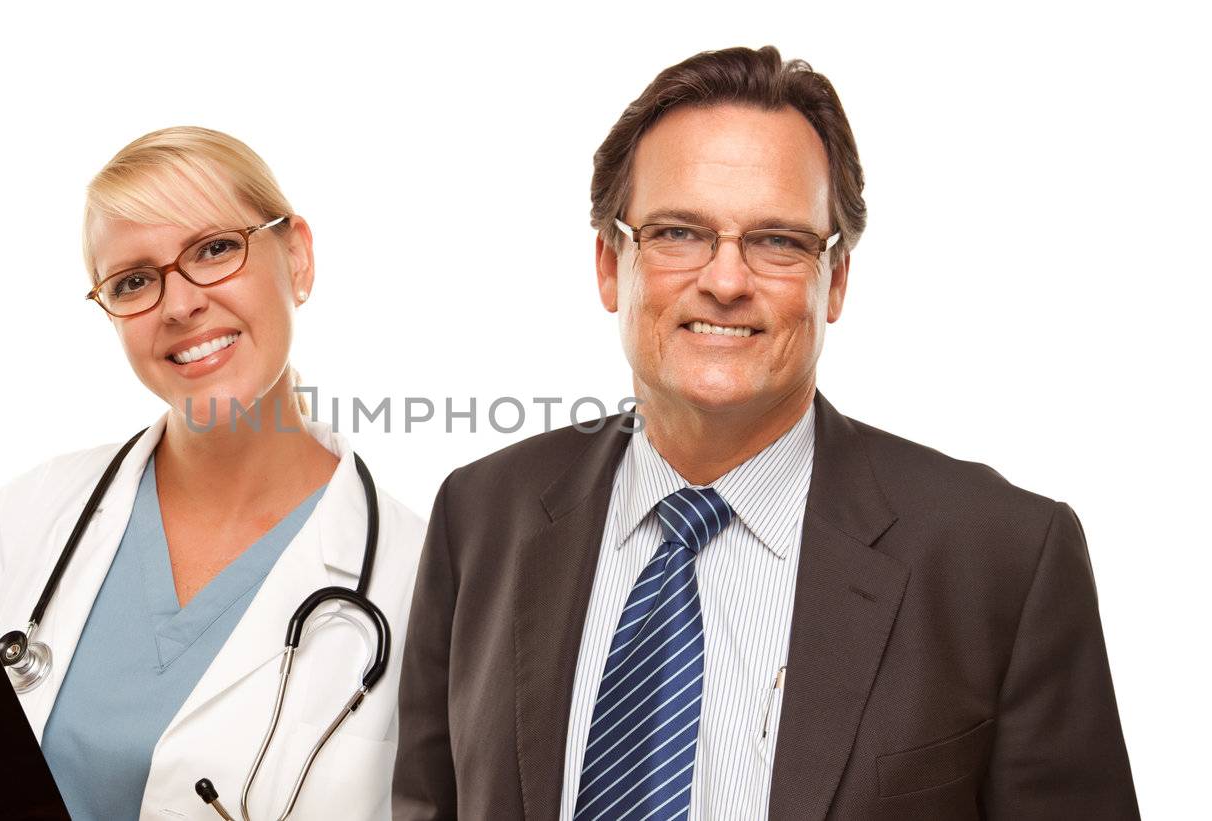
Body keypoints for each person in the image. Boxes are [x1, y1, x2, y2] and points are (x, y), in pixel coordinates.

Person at [392, 46, 1138, 819]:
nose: (725, 279)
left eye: (777, 240)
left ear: (835, 279)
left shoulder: (1003, 557)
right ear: (611, 265)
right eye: (679, 232)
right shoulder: (480, 518)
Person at [0, 126, 427, 820]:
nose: (180, 304)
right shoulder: (28, 518)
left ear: (297, 257)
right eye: (134, 281)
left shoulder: (424, 578)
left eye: (216, 249)